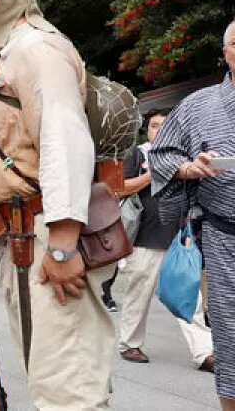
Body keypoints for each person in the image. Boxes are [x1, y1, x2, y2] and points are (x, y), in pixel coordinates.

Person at [0, 0, 114, 409]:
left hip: (44, 237)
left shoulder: (37, 49)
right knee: (48, 374)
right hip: (22, 234)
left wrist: (62, 244)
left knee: (67, 384)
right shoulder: (15, 52)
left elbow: (63, 141)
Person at [149, 17, 235, 409]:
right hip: (224, 238)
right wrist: (188, 167)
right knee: (230, 334)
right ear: (225, 53)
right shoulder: (197, 105)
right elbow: (164, 154)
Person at [113, 109, 215, 369]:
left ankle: (204, 353)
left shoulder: (184, 157)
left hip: (179, 237)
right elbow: (121, 187)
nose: (157, 129)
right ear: (147, 130)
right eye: (153, 125)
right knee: (139, 293)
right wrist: (154, 174)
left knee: (190, 295)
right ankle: (130, 343)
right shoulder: (139, 153)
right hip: (145, 236)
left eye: (163, 125)